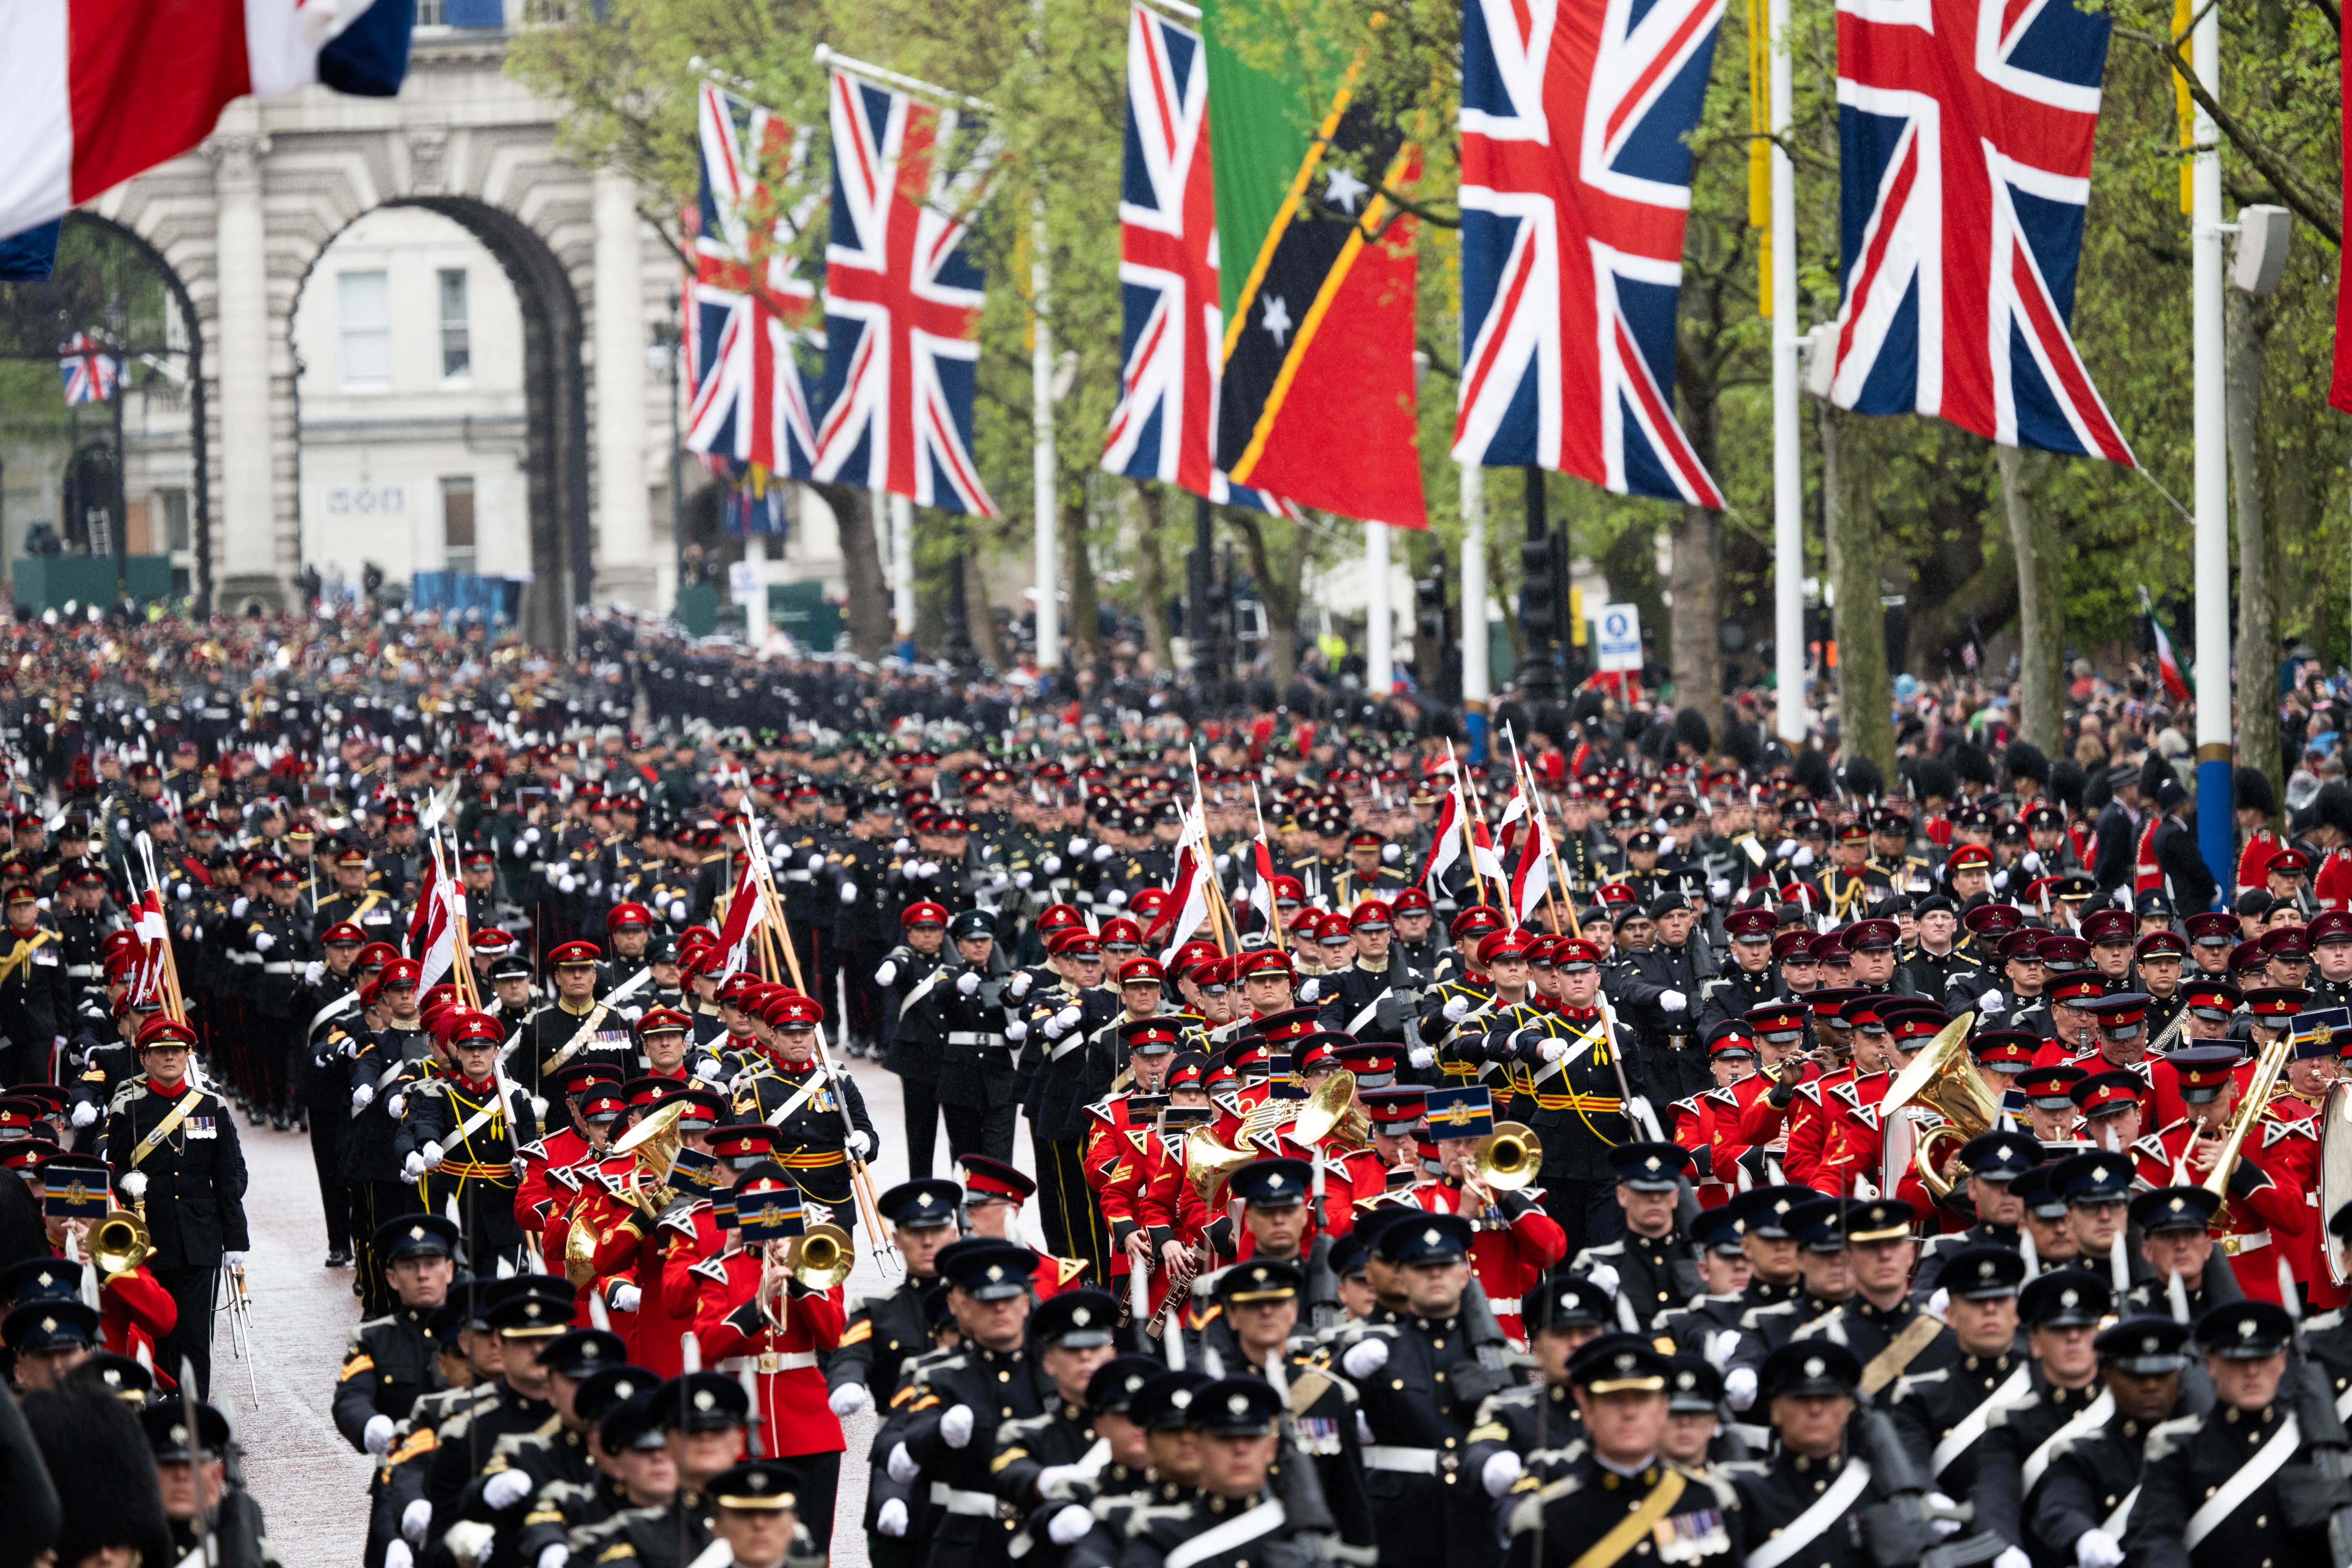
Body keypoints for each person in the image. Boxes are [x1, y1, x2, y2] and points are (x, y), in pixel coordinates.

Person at [2125, 1299, 2352, 1566]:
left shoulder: (2315, 1443)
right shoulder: (2177, 1447)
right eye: (2237, 1360)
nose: (2252, 1371)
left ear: (2282, 1362)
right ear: (2211, 1365)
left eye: (2263, 1358)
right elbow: (2156, 1536)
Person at [1496, 1334, 1740, 1565]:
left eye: (1643, 1398)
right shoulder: (1546, 1518)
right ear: (1586, 1408)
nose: (1630, 1413)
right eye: (1613, 1399)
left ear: (1663, 1408)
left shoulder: (1710, 1500)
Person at [102, 1012, 248, 1397]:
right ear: (145, 1058)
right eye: (160, 1051)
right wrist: (124, 1182)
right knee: (157, 1329)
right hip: (150, 1237)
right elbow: (111, 1172)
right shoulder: (128, 1109)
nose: (170, 1057)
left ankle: (197, 1411)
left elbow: (228, 1178)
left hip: (201, 1236)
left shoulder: (211, 1106)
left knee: (196, 1334)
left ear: (188, 1055)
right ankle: (165, 1411)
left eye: (177, 1050)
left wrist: (236, 1240)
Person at [333, 1213, 459, 1457]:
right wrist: (370, 1425)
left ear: (449, 1270)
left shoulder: (474, 1334)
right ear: (392, 1277)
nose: (422, 1275)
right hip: (403, 1467)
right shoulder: (373, 1339)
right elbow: (351, 1398)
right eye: (410, 1266)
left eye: (432, 1264)